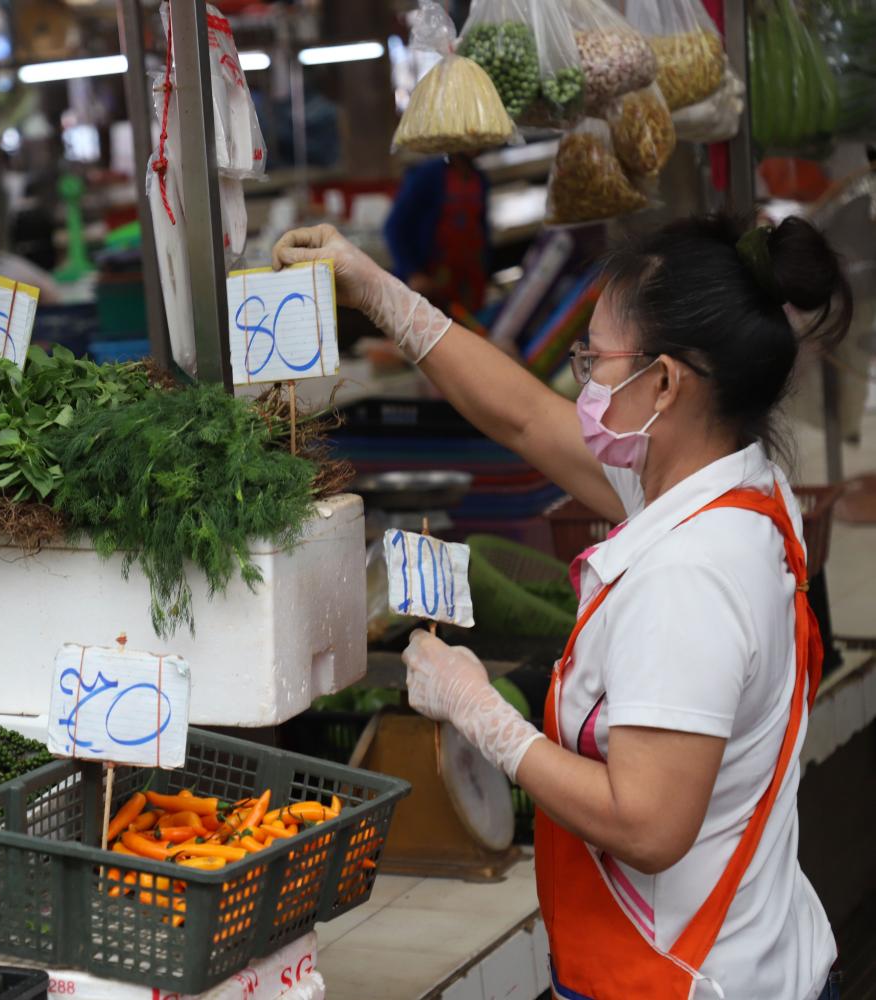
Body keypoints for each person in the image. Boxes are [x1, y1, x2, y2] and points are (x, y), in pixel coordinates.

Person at [274, 215, 850, 1000]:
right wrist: (377, 290)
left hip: (691, 982)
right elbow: (521, 416)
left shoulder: (690, 575)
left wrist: (482, 713)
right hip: (741, 956)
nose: (581, 384)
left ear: (666, 382)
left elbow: (647, 825)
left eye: (595, 360)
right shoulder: (731, 488)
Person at [382, 153, 491, 316]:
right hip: (431, 281)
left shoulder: (479, 178)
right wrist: (413, 273)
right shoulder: (428, 175)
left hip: (468, 283)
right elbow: (394, 227)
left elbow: (481, 228)